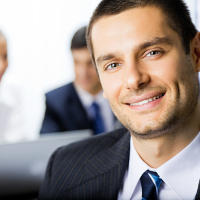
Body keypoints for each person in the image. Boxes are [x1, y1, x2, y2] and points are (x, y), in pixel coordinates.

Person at [39, 0, 200, 199]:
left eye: (152, 52)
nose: (133, 80)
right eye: (113, 65)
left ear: (196, 53)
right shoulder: (64, 170)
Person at [40, 26, 115, 135]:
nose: (83, 72)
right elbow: (47, 147)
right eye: (77, 62)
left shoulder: (120, 91)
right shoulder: (56, 102)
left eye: (90, 63)